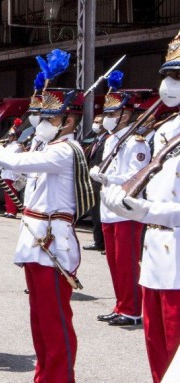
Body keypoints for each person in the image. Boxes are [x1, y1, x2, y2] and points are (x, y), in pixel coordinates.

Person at [0, 81, 90, 382]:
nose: (40, 123)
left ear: (67, 121)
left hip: (53, 244)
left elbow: (14, 162)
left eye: (48, 118)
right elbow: (12, 169)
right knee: (39, 319)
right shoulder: (49, 147)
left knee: (54, 321)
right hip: (36, 242)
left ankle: (61, 377)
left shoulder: (66, 150)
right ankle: (44, 375)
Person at [102, 31, 180, 381]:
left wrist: (149, 213)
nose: (168, 84)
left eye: (177, 77)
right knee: (157, 352)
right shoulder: (166, 131)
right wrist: (123, 200)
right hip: (156, 258)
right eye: (167, 75)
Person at [89, 84, 152, 327]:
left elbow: (137, 176)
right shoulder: (111, 139)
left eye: (112, 114)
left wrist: (108, 178)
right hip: (109, 207)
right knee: (114, 262)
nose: (106, 119)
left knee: (126, 263)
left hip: (125, 208)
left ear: (125, 115)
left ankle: (133, 310)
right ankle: (121, 304)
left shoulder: (136, 142)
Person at [82, 115, 107, 252]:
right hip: (91, 182)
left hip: (100, 182)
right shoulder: (95, 140)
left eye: (98, 122)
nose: (95, 124)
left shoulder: (107, 140)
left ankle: (103, 243)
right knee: (95, 214)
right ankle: (98, 241)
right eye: (95, 122)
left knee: (101, 214)